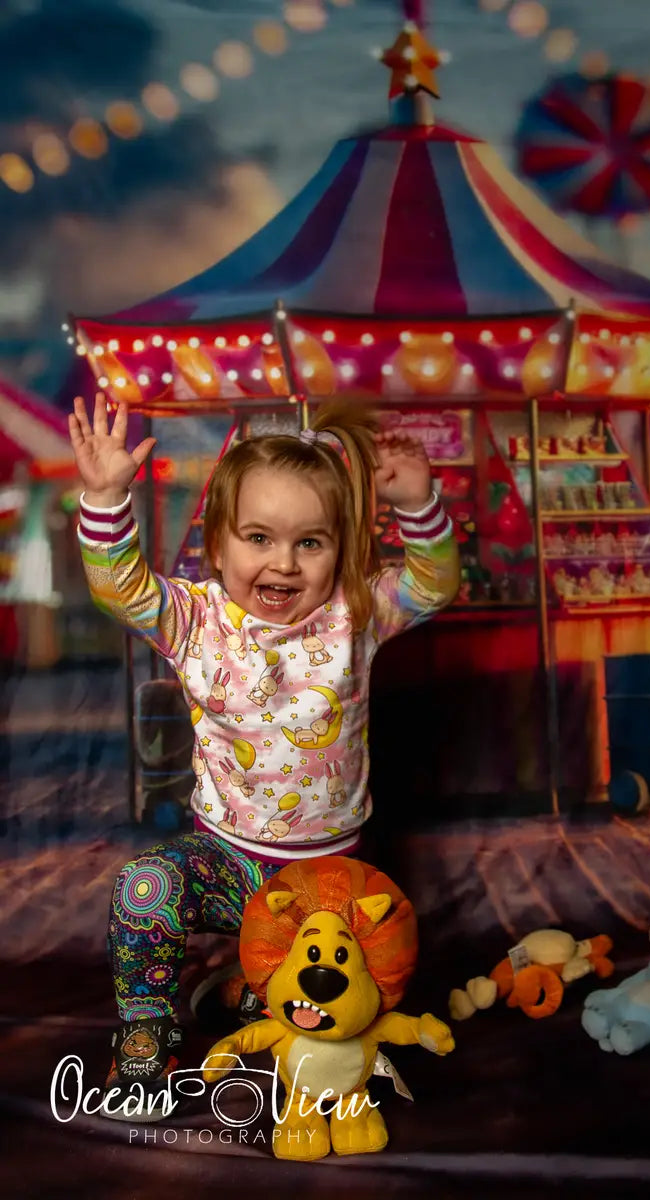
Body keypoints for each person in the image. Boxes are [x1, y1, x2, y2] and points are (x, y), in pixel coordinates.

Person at [68, 394, 459, 1118]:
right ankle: (146, 1043)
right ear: (217, 544)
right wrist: (105, 495)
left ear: (341, 550)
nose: (283, 562)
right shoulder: (193, 620)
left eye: (311, 542)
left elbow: (434, 583)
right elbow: (118, 587)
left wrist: (421, 505)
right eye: (259, 537)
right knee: (144, 887)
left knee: (352, 1005)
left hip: (327, 885)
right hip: (227, 865)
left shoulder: (357, 614)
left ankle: (254, 993)